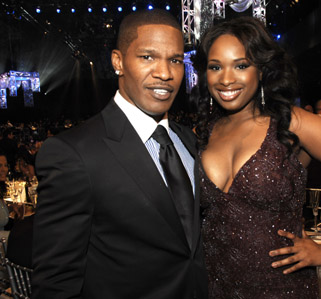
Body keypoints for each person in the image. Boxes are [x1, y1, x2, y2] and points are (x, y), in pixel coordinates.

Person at [191, 16, 321, 298]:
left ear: (261, 70)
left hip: (280, 286)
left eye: (241, 65)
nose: (226, 78)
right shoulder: (205, 130)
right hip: (215, 284)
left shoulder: (292, 123)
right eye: (215, 67)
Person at [32, 9, 208, 299]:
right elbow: (55, 282)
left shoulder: (187, 140)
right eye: (147, 57)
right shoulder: (73, 153)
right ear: (118, 62)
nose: (165, 73)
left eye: (175, 60)